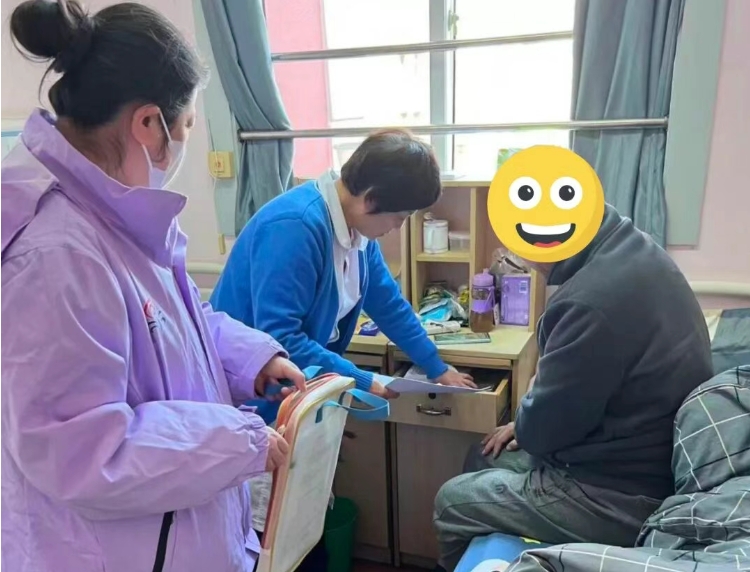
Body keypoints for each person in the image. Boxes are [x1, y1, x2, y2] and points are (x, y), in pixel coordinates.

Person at [1, 2, 306, 572]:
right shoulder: (56, 253)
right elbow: (80, 451)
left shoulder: (114, 215)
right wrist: (238, 442)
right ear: (148, 125)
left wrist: (250, 358)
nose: (183, 142)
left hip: (176, 533)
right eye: (186, 125)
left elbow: (174, 321)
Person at [210, 129, 476, 566]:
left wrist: (435, 366)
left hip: (299, 393)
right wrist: (363, 380)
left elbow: (388, 303)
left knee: (304, 525)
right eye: (399, 216)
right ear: (370, 199)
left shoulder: (355, 233)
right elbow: (281, 340)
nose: (398, 227)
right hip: (251, 401)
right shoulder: (296, 227)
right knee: (267, 537)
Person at [432, 204, 714, 571]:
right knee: (485, 452)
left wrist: (530, 414)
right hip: (640, 458)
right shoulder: (636, 249)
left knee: (451, 502)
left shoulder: (587, 302)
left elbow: (542, 433)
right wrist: (529, 420)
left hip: (621, 494)